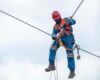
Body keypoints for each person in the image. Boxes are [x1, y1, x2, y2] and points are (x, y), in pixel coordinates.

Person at [45, 11, 76, 78]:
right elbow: (53, 33)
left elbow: (74, 21)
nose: (56, 20)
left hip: (68, 38)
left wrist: (69, 22)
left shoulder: (65, 20)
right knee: (52, 48)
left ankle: (72, 71)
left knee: (69, 54)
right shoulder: (55, 26)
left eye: (57, 19)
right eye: (55, 19)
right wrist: (53, 36)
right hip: (60, 38)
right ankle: (51, 65)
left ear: (60, 17)